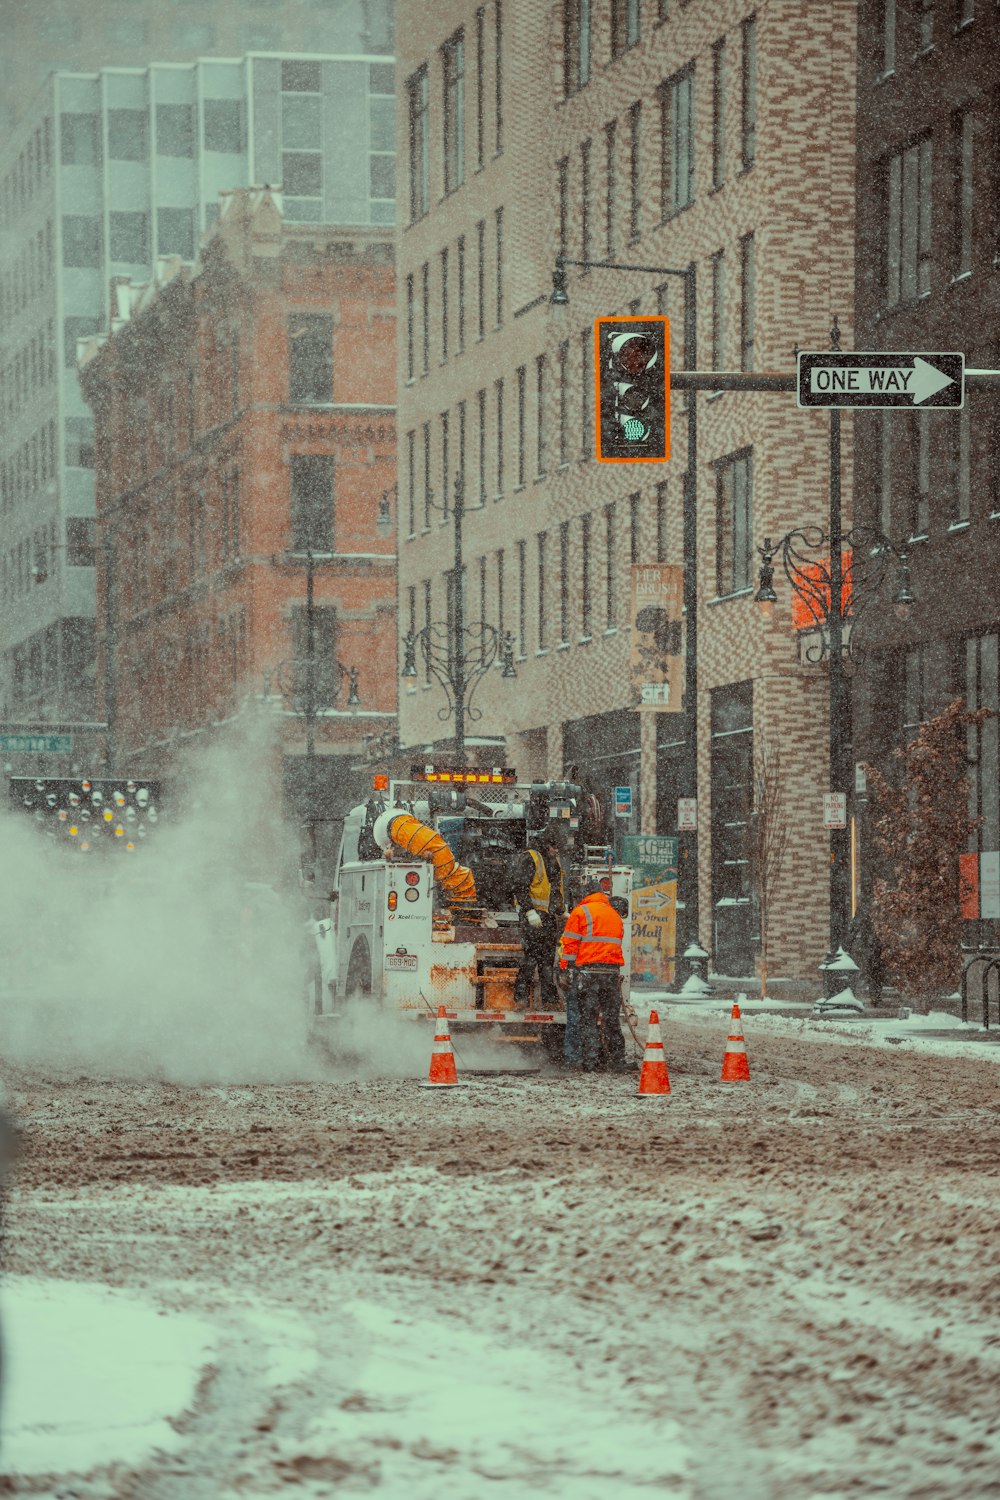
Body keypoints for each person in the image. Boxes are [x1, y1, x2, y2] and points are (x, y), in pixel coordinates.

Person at [559, 879, 630, 1073]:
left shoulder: (581, 912)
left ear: (585, 895)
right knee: (611, 1019)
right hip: (611, 973)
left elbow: (570, 945)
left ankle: (591, 1061)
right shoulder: (613, 914)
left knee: (588, 1018)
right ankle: (617, 1061)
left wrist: (565, 969)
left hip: (589, 973)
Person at [512, 831, 566, 1011]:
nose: (556, 851)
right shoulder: (531, 858)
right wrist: (529, 911)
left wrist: (562, 910)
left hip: (548, 918)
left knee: (547, 961)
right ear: (546, 845)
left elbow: (555, 890)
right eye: (554, 847)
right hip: (533, 917)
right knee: (532, 958)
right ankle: (520, 998)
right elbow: (520, 886)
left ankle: (549, 1000)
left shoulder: (553, 863)